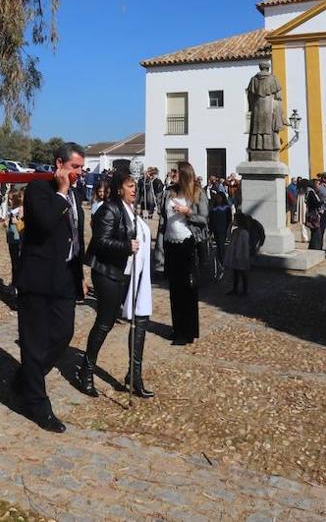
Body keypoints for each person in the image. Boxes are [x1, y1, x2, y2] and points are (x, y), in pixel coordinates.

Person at [13, 143, 87, 433]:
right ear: (59, 164)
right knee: (33, 343)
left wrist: (79, 272)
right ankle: (37, 404)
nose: (79, 173)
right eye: (74, 167)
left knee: (63, 333)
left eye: (81, 168)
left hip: (66, 278)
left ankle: (27, 378)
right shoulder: (39, 189)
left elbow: (76, 236)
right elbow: (43, 224)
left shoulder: (75, 193)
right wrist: (61, 192)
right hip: (38, 279)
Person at [77, 168, 153, 398]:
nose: (135, 190)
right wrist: (126, 246)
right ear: (119, 189)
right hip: (109, 274)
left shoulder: (133, 210)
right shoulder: (110, 209)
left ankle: (135, 377)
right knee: (105, 322)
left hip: (133, 275)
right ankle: (86, 371)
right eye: (130, 186)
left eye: (135, 186)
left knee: (140, 321)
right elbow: (100, 242)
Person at [164, 161, 204, 345]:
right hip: (170, 243)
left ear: (185, 174)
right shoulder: (170, 191)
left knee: (188, 288)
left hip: (187, 242)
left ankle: (188, 332)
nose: (173, 175)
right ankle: (177, 328)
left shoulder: (197, 192)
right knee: (174, 289)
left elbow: (205, 218)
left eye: (176, 172)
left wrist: (188, 212)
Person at [225, 214, 252, 295]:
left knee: (243, 273)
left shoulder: (244, 233)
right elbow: (228, 237)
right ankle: (235, 289)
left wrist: (246, 257)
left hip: (242, 256)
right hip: (235, 255)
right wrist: (230, 226)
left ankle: (245, 290)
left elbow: (245, 246)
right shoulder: (235, 231)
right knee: (235, 273)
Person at [5, 188, 25, 293]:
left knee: (18, 264)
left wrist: (17, 221)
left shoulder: (21, 210)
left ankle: (18, 285)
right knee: (14, 263)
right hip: (12, 239)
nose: (9, 201)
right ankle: (14, 284)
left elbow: (21, 224)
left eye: (11, 199)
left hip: (18, 239)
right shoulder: (12, 209)